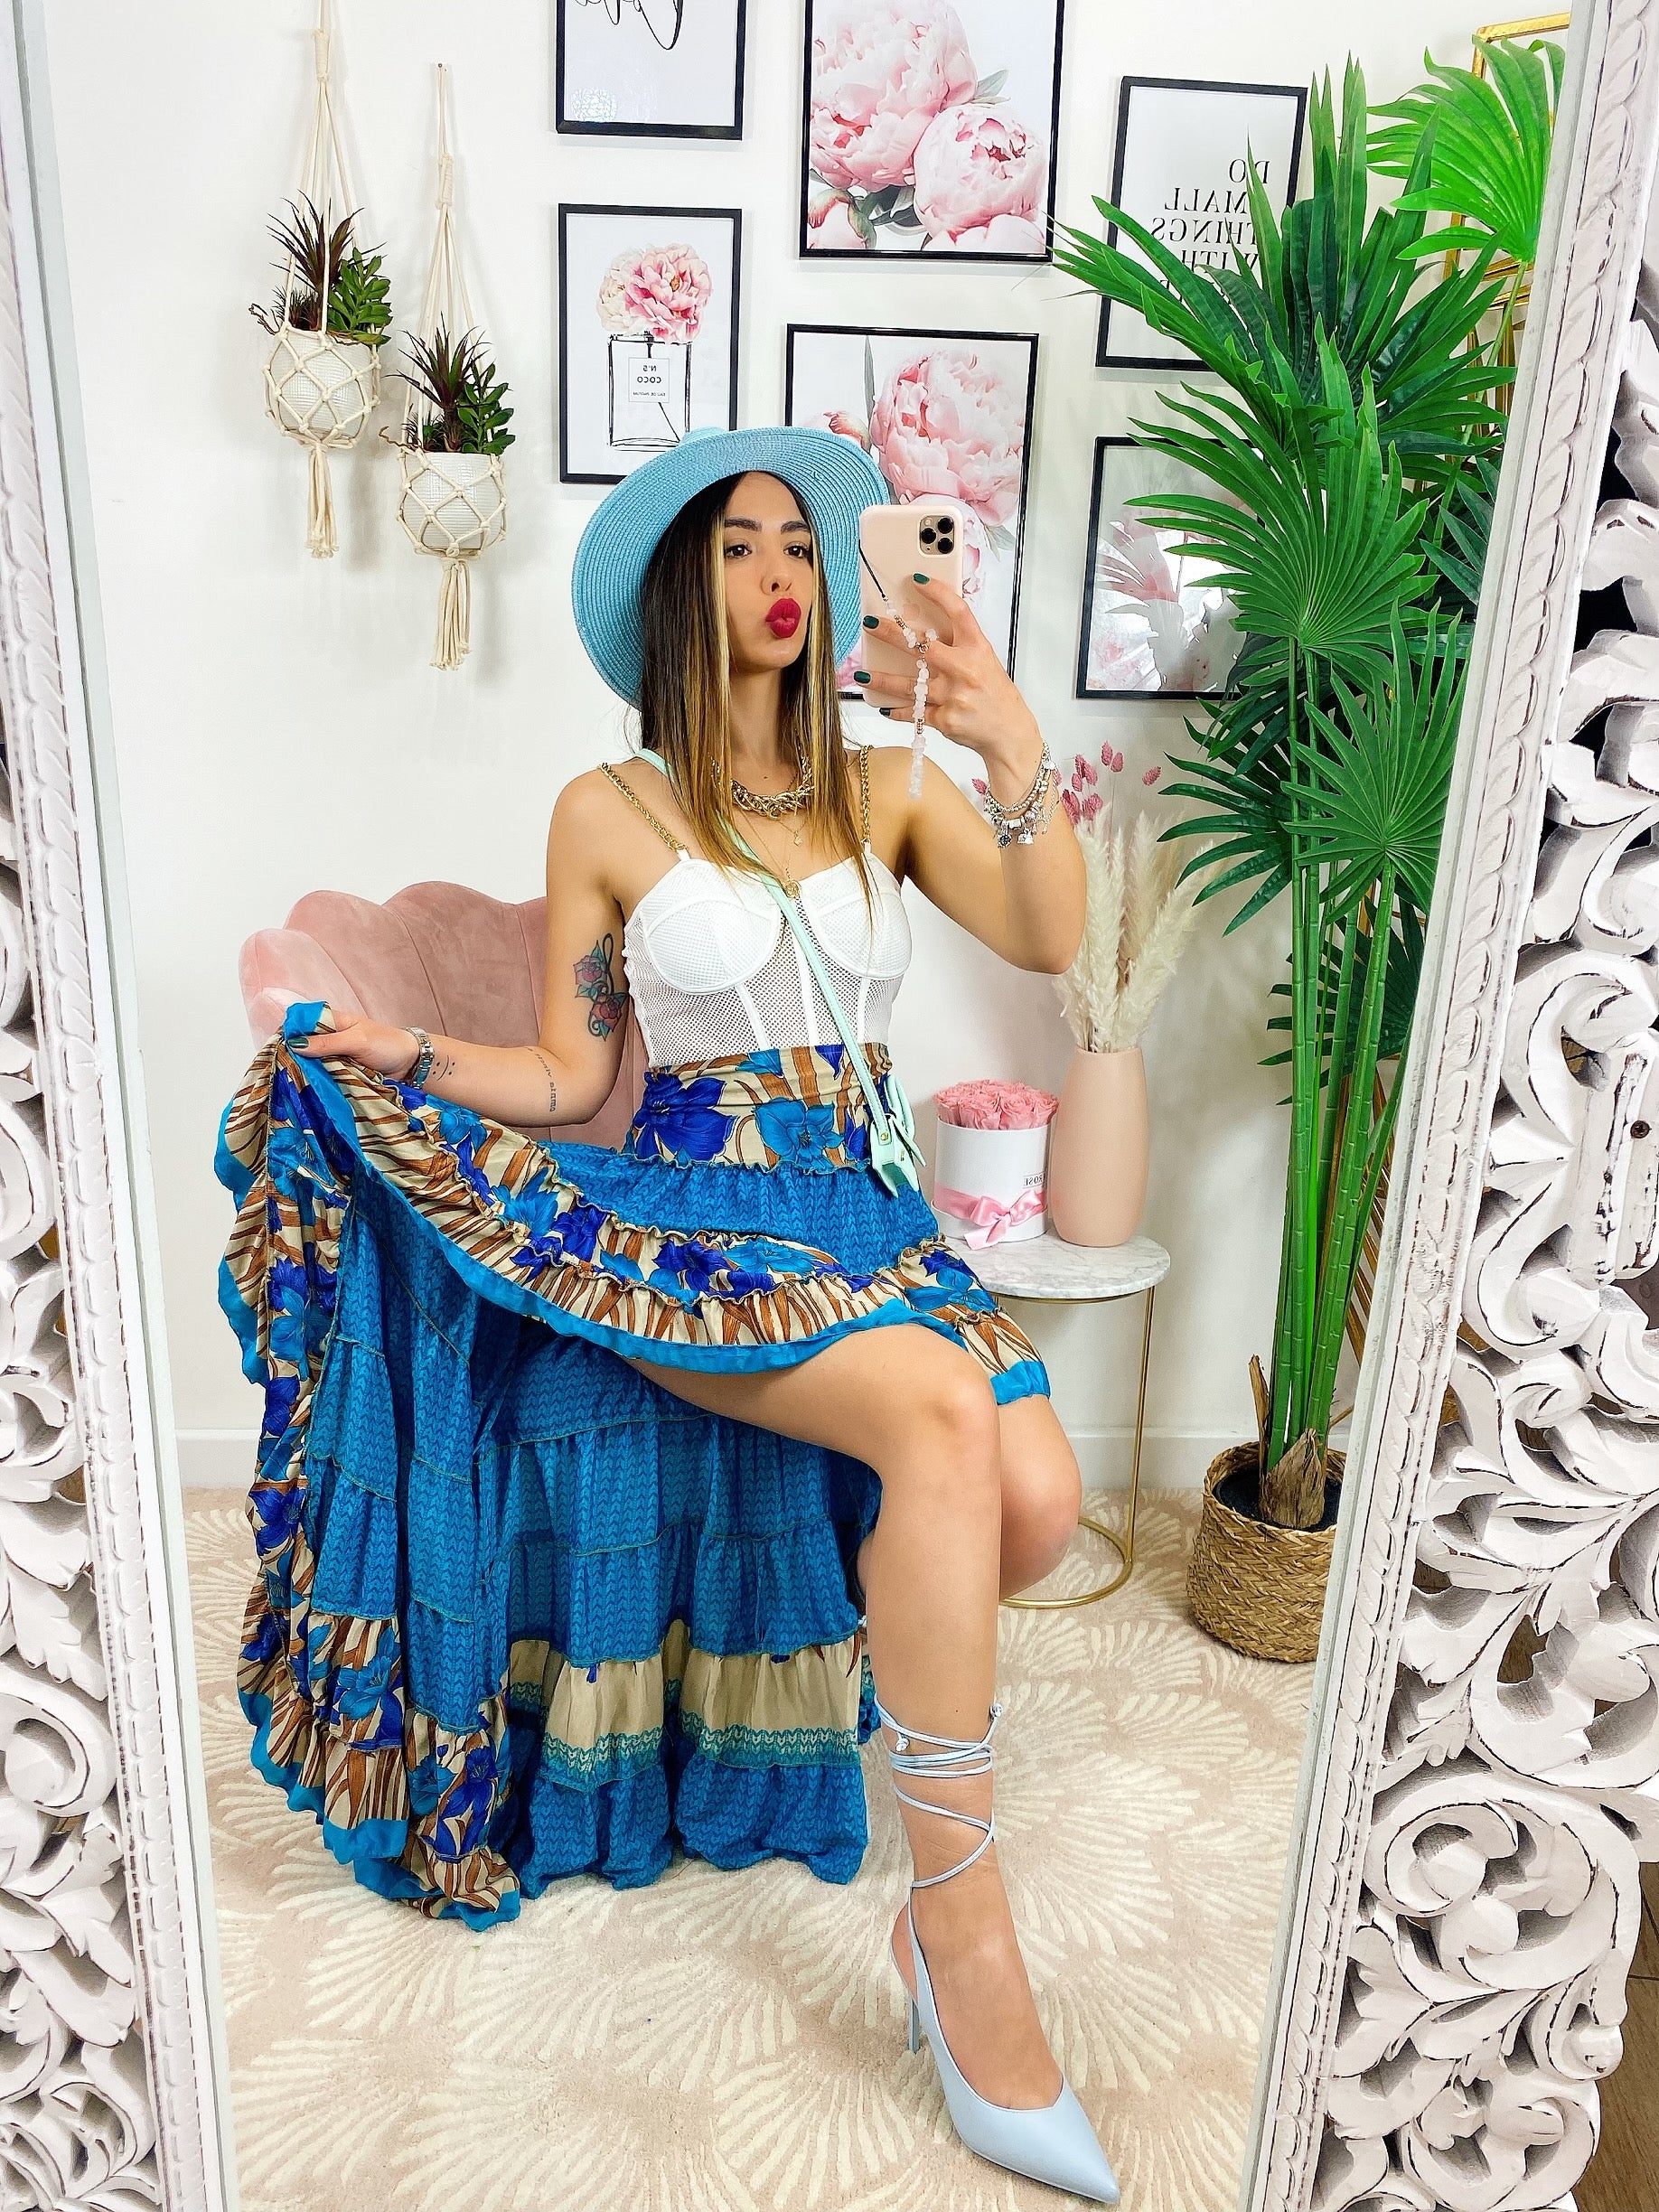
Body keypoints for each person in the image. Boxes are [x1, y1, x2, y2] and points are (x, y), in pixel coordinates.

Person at [215, 424, 1116, 2202]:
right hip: (695, 1225)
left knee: (1039, 1507)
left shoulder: (892, 789)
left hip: (867, 1220)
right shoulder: (607, 811)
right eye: (737, 546)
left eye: (800, 544)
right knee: (947, 1420)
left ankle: (877, 1731)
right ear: (677, 596)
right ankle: (961, 1929)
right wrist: (412, 1054)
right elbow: (572, 1075)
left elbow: (1044, 934)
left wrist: (1007, 741)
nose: (779, 572)